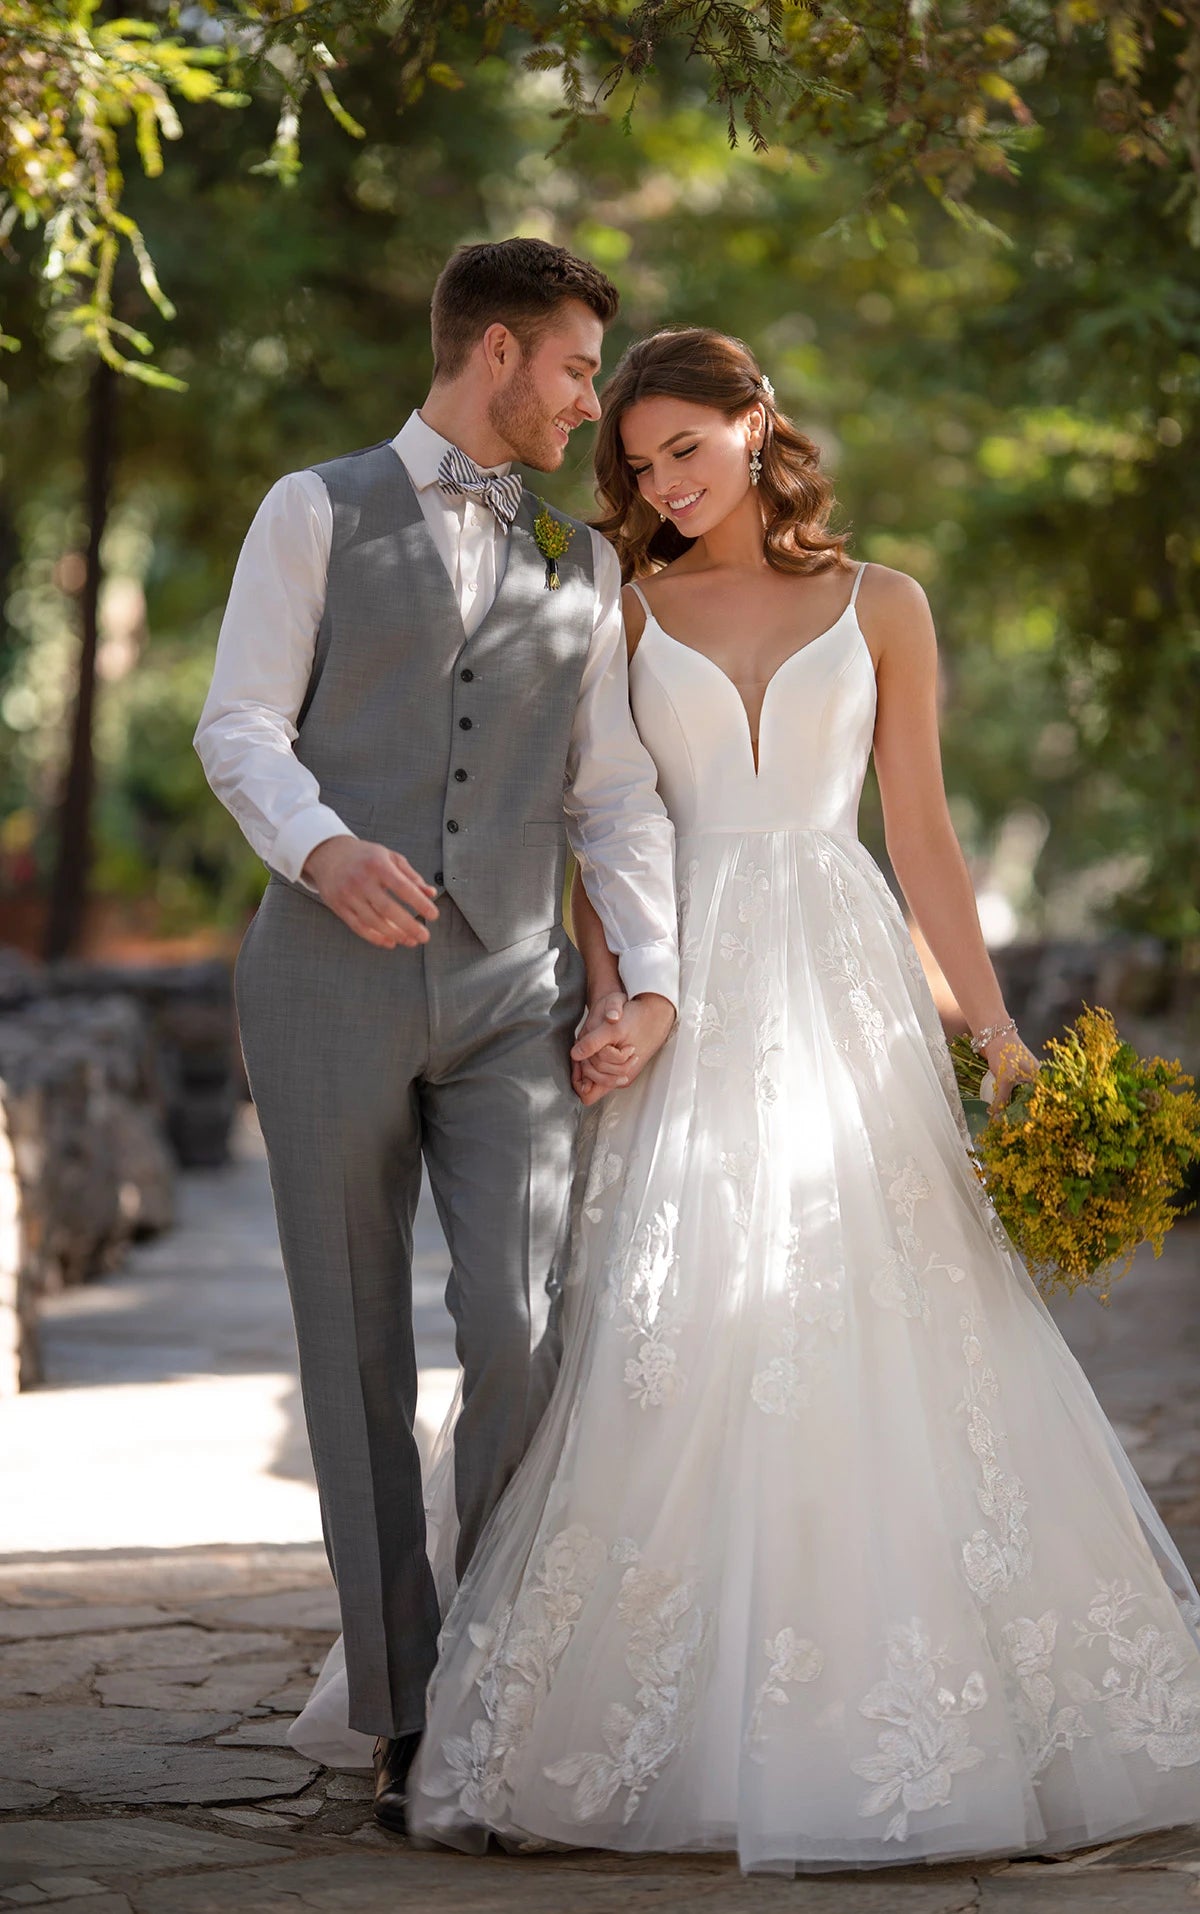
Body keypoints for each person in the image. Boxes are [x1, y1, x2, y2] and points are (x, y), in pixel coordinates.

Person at [396, 327, 1200, 1871]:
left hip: (844, 991)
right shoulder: (620, 611)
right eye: (638, 467)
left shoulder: (882, 603)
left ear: (759, 425)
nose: (663, 484)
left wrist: (1001, 1039)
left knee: (889, 1310)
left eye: (686, 449)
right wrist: (625, 992)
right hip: (691, 988)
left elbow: (926, 839)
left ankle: (917, 1713)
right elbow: (600, 828)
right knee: (673, 1323)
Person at [194, 239, 681, 1832]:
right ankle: (404, 1709)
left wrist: (644, 980)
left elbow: (613, 801)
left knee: (520, 1323)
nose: (587, 403)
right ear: (490, 352)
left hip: (508, 995)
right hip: (324, 981)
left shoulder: (585, 567)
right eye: (571, 368)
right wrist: (321, 844)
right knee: (349, 1346)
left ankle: (499, 1671)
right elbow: (239, 723)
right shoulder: (313, 509)